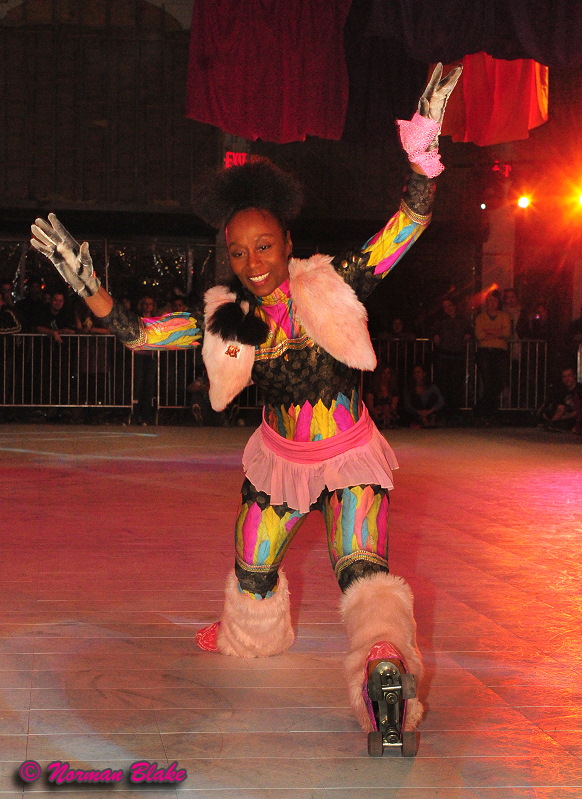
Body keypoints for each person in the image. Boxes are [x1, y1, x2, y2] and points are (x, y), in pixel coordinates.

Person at [30, 64, 461, 754]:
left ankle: (384, 670)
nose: (253, 262)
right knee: (254, 572)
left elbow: (407, 224)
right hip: (278, 465)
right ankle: (259, 637)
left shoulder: (335, 282)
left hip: (350, 458)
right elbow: (143, 335)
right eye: (238, 252)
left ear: (288, 242)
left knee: (362, 571)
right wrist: (89, 287)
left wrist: (422, 153)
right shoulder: (228, 317)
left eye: (264, 246)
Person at [430, 297, 472, 422]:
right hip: (444, 355)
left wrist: (468, 334)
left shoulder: (462, 320)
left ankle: (454, 412)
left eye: (449, 306)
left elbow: (470, 330)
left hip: (458, 355)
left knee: (456, 385)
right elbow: (432, 331)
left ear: (454, 306)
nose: (448, 309)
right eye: (445, 307)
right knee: (444, 385)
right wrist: (435, 335)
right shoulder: (440, 321)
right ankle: (444, 412)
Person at [474, 289, 511, 425]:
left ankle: (480, 410)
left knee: (498, 382)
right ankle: (490, 414)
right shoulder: (480, 317)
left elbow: (507, 333)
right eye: (489, 300)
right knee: (488, 382)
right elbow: (479, 335)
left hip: (500, 352)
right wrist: (498, 332)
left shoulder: (504, 316)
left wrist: (488, 332)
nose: (492, 303)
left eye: (495, 300)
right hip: (485, 352)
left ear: (498, 302)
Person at [402, 364, 445, 428]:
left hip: (430, 412)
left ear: (424, 374)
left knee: (433, 397)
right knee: (415, 398)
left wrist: (430, 411)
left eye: (418, 372)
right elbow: (407, 405)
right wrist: (419, 412)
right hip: (416, 413)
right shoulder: (408, 388)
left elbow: (441, 401)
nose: (416, 375)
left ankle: (432, 420)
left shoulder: (432, 387)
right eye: (414, 373)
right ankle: (423, 420)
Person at [364, 364, 400, 429]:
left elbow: (393, 407)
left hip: (389, 413)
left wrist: (386, 410)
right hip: (375, 412)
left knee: (393, 416)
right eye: (384, 373)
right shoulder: (372, 388)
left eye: (388, 373)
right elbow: (370, 407)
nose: (386, 376)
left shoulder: (393, 389)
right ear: (380, 374)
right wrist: (378, 410)